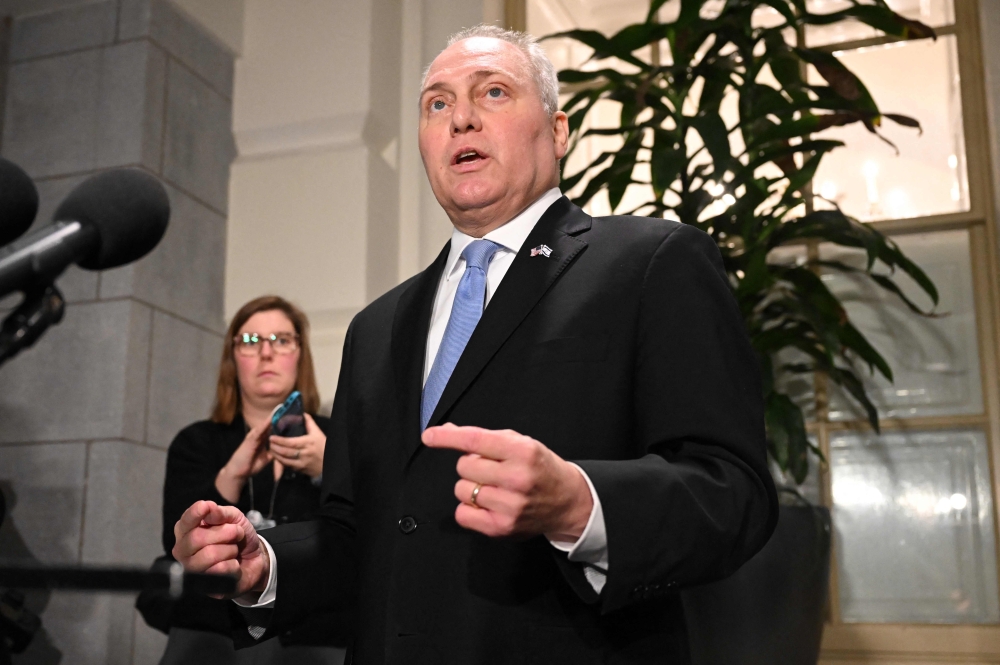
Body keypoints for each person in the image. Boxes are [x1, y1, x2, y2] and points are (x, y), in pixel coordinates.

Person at [172, 25, 779, 664]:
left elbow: (732, 493)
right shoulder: (376, 328)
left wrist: (581, 503)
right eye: (437, 103)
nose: (461, 118)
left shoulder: (651, 263)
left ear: (558, 131)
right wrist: (262, 565)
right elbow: (359, 533)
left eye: (492, 92)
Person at [137, 295, 346, 664]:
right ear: (233, 358)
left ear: (300, 353)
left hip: (317, 633)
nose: (267, 353)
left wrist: (328, 467)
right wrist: (230, 475)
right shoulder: (198, 442)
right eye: (251, 341)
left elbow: (364, 530)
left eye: (282, 340)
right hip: (212, 633)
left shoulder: (340, 438)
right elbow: (177, 542)